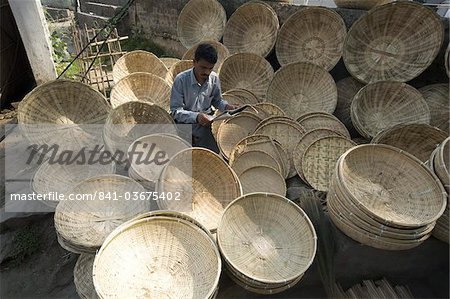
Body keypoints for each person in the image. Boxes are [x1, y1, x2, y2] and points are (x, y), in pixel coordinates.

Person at [169, 43, 238, 153]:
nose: (206, 72)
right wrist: (197, 117)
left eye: (210, 68)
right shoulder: (181, 80)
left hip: (207, 121)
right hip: (185, 123)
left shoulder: (214, 78)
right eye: (203, 67)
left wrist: (226, 106)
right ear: (194, 62)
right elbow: (175, 112)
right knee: (208, 149)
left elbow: (217, 101)